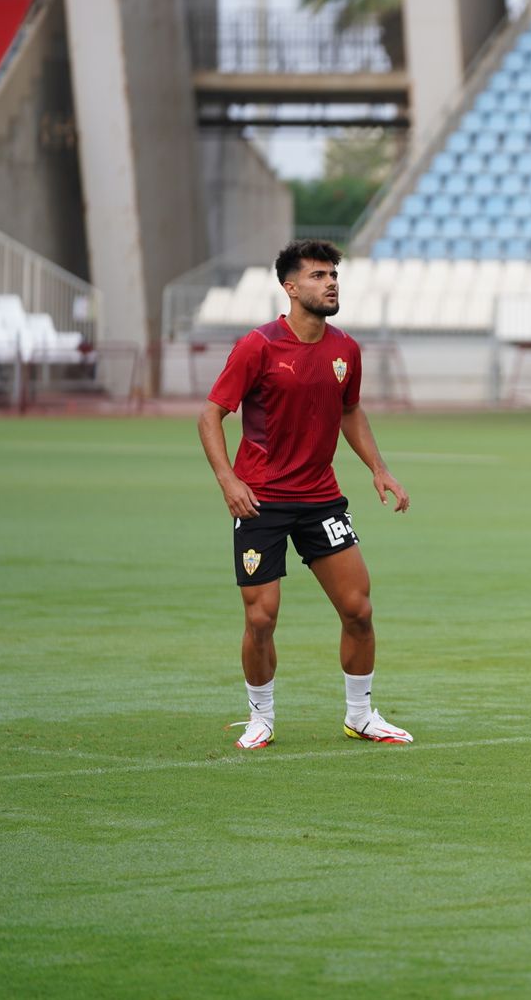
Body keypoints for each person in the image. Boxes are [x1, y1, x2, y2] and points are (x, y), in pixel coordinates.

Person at [197, 240, 413, 750]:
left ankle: (360, 715)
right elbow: (211, 414)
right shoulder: (259, 346)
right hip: (261, 501)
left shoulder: (345, 350)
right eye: (318, 276)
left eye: (333, 274)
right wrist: (229, 480)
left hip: (321, 499)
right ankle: (261, 718)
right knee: (261, 617)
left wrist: (379, 469)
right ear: (290, 288)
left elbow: (349, 411)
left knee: (358, 609)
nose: (331, 282)